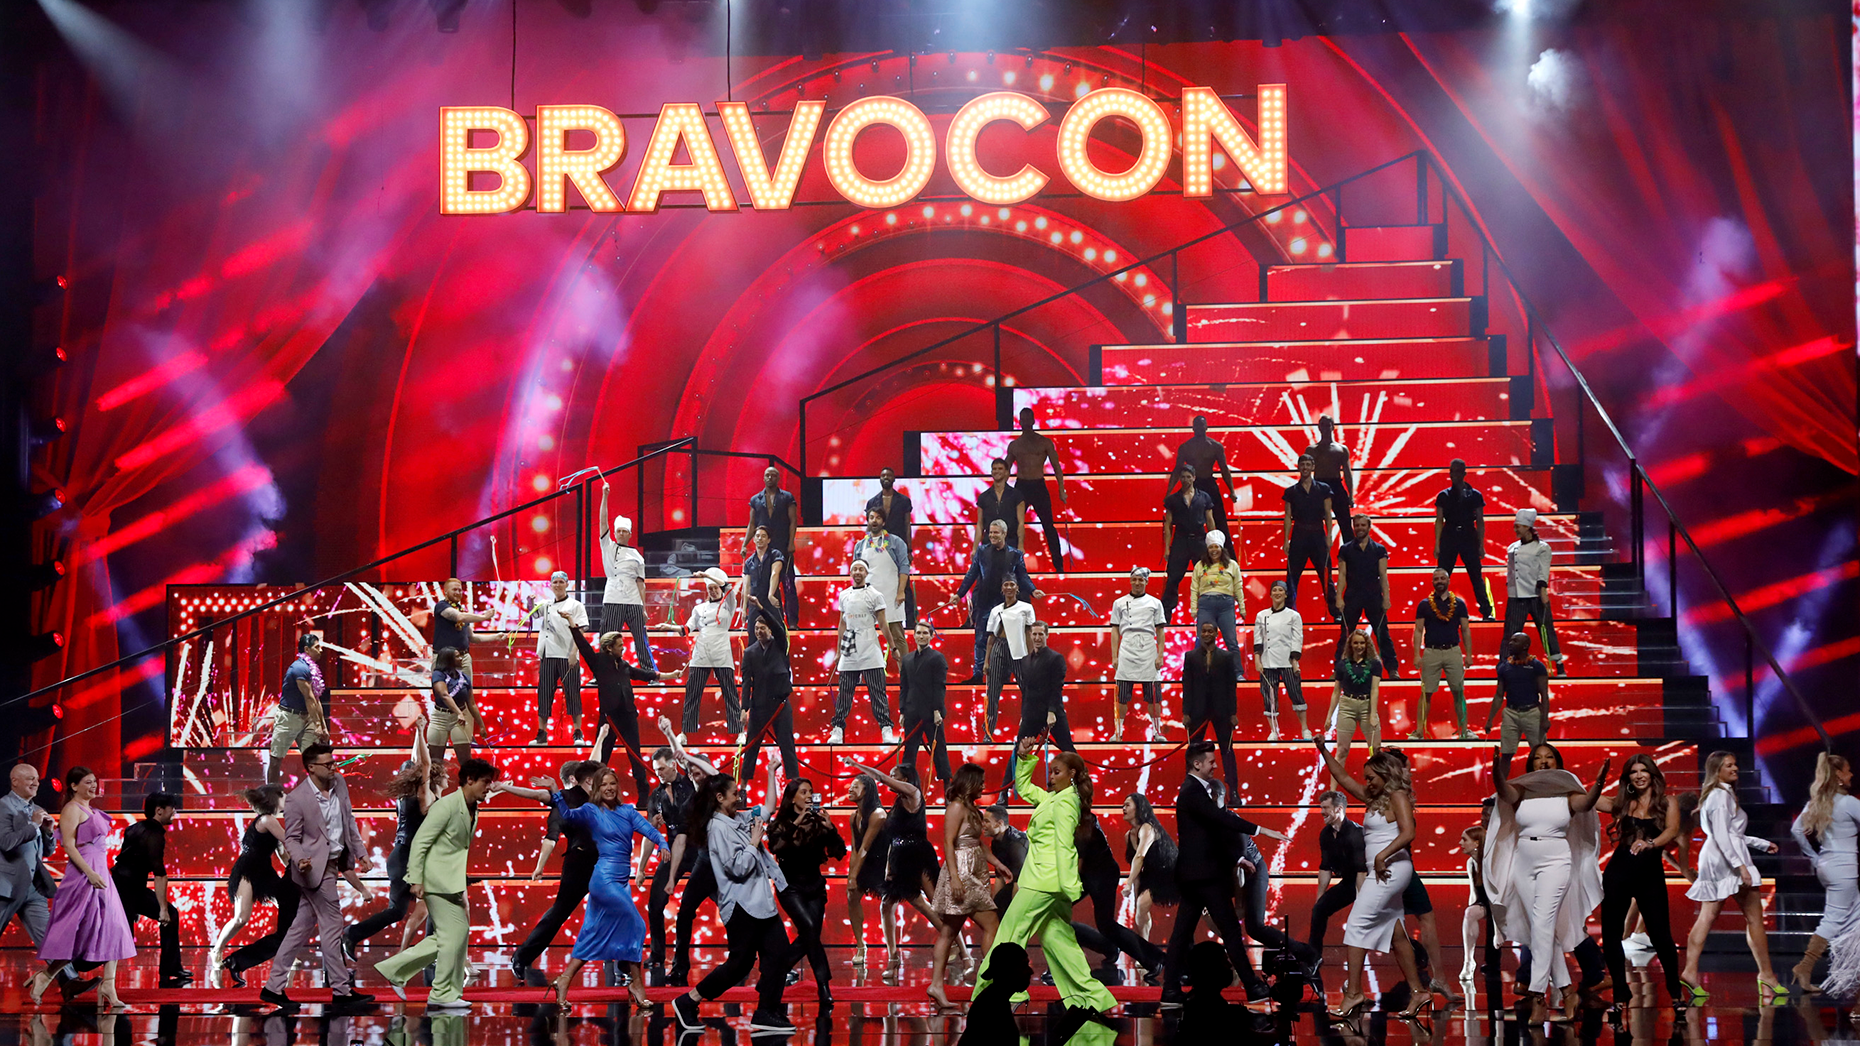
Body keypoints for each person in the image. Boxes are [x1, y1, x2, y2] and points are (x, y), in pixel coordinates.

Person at [971, 743, 1117, 1015]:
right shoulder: (1056, 798)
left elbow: (1065, 846)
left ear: (1072, 773)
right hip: (1048, 881)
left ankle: (993, 993)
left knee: (1010, 935)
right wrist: (1025, 758)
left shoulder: (1066, 803)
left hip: (1044, 882)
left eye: (1056, 772)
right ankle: (1092, 998)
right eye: (1050, 772)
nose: (1050, 777)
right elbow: (1024, 789)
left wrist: (1069, 884)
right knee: (1058, 940)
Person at [671, 773, 801, 1036]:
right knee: (740, 963)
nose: (739, 797)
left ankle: (766, 1011)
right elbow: (737, 867)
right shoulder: (717, 828)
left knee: (778, 955)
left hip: (760, 902)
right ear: (720, 798)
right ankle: (688, 1001)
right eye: (734, 793)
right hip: (742, 905)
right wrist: (754, 843)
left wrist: (773, 769)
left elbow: (766, 810)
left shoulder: (738, 819)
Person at [1486, 742, 1608, 1023]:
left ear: (1557, 762)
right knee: (1542, 930)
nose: (1543, 762)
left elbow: (1587, 803)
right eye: (1538, 758)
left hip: (1556, 859)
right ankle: (1567, 991)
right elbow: (1503, 792)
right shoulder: (1522, 791)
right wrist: (1496, 771)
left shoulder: (1568, 794)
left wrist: (1598, 783)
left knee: (1542, 923)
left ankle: (1538, 995)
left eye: (1549, 757)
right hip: (1524, 860)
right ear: (1531, 764)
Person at [1158, 741, 1284, 1006]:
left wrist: (1237, 857)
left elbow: (1213, 833)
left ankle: (1170, 992)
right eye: (1211, 761)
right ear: (1197, 764)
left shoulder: (1197, 791)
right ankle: (1252, 986)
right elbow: (1222, 820)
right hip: (1205, 877)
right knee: (1228, 930)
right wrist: (1262, 830)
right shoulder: (1192, 792)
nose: (1216, 765)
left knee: (1183, 935)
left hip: (1196, 876)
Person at [1310, 740, 1425, 1020]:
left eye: (1372, 778)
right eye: (1367, 778)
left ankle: (1355, 993)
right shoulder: (1373, 797)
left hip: (1392, 869)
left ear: (1386, 775)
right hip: (1381, 870)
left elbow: (1409, 832)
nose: (1367, 782)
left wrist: (1381, 855)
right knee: (1396, 935)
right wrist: (1324, 751)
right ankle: (1419, 991)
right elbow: (1343, 778)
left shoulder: (1397, 795)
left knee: (1357, 924)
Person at [375, 757, 501, 1011]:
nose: (489, 788)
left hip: (451, 880)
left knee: (455, 936)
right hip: (436, 880)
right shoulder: (446, 806)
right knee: (450, 938)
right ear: (469, 780)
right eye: (486, 783)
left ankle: (405, 973)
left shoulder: (468, 805)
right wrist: (417, 879)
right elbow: (420, 841)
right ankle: (441, 992)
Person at [258, 743, 377, 1012]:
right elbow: (291, 837)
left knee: (299, 928)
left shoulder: (340, 784)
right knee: (333, 925)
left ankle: (273, 987)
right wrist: (300, 859)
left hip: (334, 864)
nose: (334, 767)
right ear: (311, 767)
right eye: (328, 764)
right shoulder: (298, 798)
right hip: (314, 871)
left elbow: (349, 821)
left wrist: (361, 854)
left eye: (334, 762)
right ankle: (341, 990)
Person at [533, 768, 664, 1009]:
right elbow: (568, 817)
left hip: (621, 882)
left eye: (613, 783)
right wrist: (556, 792)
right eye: (604, 784)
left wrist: (662, 843)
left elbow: (649, 830)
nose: (609, 788)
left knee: (592, 933)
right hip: (603, 880)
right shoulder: (591, 811)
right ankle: (637, 984)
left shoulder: (627, 811)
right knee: (637, 925)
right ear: (597, 788)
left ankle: (563, 980)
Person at [25, 767, 135, 1010]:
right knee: (78, 931)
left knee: (114, 926)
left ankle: (109, 984)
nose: (94, 786)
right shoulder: (71, 809)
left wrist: (99, 873)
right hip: (84, 874)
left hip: (100, 872)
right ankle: (47, 975)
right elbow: (70, 847)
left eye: (95, 782)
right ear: (74, 786)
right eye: (88, 782)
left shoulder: (92, 810)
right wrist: (90, 873)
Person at [1680, 750, 1785, 1000]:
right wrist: (1740, 867)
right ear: (1717, 770)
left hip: (1719, 856)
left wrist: (1760, 844)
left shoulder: (1720, 794)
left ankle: (1690, 972)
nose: (1735, 768)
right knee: (1753, 917)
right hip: (1725, 859)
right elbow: (1722, 835)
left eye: (1735, 764)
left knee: (1709, 916)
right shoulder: (1719, 796)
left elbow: (1730, 833)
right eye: (1729, 765)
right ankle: (1767, 975)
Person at [1594, 754, 1686, 1014]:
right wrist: (1600, 780)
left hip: (1650, 876)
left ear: (1653, 774)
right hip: (1618, 874)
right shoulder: (1623, 803)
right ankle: (1620, 995)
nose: (1638, 775)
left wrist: (1650, 844)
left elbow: (1671, 830)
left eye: (1643, 770)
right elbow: (1590, 801)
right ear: (1628, 778)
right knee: (1611, 936)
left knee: (1661, 937)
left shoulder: (1668, 802)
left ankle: (1675, 991)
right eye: (1633, 772)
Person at [345, 728, 444, 959]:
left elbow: (418, 762)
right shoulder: (420, 795)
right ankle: (353, 934)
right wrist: (420, 730)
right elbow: (423, 764)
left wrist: (419, 734)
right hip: (407, 858)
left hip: (403, 856)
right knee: (414, 908)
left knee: (414, 909)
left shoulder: (405, 796)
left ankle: (354, 934)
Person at [506, 759, 603, 987]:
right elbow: (539, 799)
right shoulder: (567, 798)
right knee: (559, 913)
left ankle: (623, 965)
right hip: (579, 862)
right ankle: (522, 957)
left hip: (605, 863)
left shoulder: (603, 800)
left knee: (617, 910)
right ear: (588, 780)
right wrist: (504, 787)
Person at [843, 757, 943, 970]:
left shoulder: (906, 796)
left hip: (903, 858)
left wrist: (856, 764)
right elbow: (858, 847)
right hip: (892, 857)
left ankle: (954, 943)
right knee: (880, 903)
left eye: (894, 774)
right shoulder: (894, 803)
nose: (891, 777)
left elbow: (880, 777)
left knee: (923, 901)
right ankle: (884, 953)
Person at [0, 764, 88, 999]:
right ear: (14, 781)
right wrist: (33, 825)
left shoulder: (37, 809)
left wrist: (48, 832)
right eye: (29, 779)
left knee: (50, 937)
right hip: (6, 886)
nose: (36, 783)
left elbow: (45, 852)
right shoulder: (3, 806)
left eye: (37, 779)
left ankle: (69, 981)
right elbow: (6, 843)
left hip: (33, 886)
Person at [564, 614, 672, 799]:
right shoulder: (598, 662)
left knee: (635, 756)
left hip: (628, 716)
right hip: (609, 717)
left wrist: (670, 676)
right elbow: (583, 646)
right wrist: (573, 626)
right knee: (602, 757)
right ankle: (593, 793)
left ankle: (643, 794)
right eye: (620, 646)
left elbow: (644, 674)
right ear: (609, 648)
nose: (623, 649)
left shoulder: (623, 665)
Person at [927, 763, 1007, 1008]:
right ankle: (991, 981)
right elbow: (948, 843)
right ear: (970, 782)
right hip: (962, 872)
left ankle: (936, 987)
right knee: (992, 923)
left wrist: (998, 864)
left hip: (973, 869)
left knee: (950, 931)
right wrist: (955, 878)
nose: (984, 786)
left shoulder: (972, 808)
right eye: (980, 781)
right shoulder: (956, 807)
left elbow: (979, 844)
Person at [655, 720, 727, 986]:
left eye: (699, 773)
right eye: (692, 773)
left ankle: (756, 960)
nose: (695, 775)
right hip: (704, 863)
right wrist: (672, 878)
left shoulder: (719, 793)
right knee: (685, 913)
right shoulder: (688, 805)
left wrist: (672, 735)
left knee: (737, 912)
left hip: (727, 864)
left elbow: (693, 763)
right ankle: (679, 968)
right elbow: (681, 841)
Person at [766, 777, 847, 1007]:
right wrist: (797, 822)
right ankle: (824, 987)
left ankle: (773, 974)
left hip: (815, 886)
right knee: (810, 929)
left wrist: (831, 829)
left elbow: (839, 852)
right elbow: (776, 847)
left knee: (809, 936)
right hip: (790, 887)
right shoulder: (780, 822)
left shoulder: (819, 822)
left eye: (811, 791)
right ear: (793, 798)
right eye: (804, 792)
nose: (810, 795)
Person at [210, 784, 296, 987]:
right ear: (274, 799)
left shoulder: (272, 821)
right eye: (283, 795)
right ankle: (217, 950)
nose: (287, 798)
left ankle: (285, 951)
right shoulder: (267, 820)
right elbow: (288, 841)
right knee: (241, 918)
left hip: (264, 871)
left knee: (288, 908)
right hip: (248, 870)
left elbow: (283, 854)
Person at [1791, 753, 1860, 992]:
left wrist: (1813, 857)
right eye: (1848, 770)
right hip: (1844, 868)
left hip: (1826, 866)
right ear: (1839, 776)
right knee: (1833, 920)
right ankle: (1805, 966)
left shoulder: (1817, 802)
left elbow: (1796, 830)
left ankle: (1851, 972)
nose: (1851, 775)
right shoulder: (1849, 802)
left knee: (1855, 920)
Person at [1073, 809, 1165, 984]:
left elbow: (1077, 864)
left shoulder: (1081, 820)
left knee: (1105, 924)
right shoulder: (1073, 816)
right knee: (1055, 913)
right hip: (1090, 873)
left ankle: (1153, 959)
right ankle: (1108, 947)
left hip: (1100, 873)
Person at [109, 792, 186, 987]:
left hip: (128, 886)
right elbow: (159, 873)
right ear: (159, 811)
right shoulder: (155, 835)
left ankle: (171, 968)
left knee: (172, 914)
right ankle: (70, 969)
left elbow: (128, 863)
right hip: (124, 889)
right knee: (119, 938)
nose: (174, 812)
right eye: (172, 809)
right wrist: (161, 908)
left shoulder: (133, 828)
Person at [955, 518, 1040, 686]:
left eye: (995, 533)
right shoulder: (981, 552)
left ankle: (1005, 675)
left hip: (1006, 604)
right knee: (980, 638)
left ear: (1004, 534)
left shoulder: (1015, 555)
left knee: (1005, 640)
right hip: (984, 602)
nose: (992, 536)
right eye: (990, 532)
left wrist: (1032, 589)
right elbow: (971, 574)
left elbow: (1023, 576)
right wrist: (959, 594)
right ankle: (978, 674)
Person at [1002, 622, 1077, 793]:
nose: (1037, 638)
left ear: (1046, 635)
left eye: (1040, 634)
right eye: (1034, 634)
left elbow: (1056, 688)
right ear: (1030, 635)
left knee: (1068, 750)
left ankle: (1081, 786)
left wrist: (1051, 712)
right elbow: (1026, 691)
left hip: (1053, 712)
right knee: (1017, 751)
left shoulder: (1055, 658)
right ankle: (1004, 791)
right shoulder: (1025, 661)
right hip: (1031, 714)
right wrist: (1024, 713)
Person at [830, 558, 897, 745]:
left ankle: (886, 728)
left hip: (869, 646)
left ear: (866, 573)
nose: (857, 572)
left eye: (861, 569)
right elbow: (842, 624)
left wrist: (893, 647)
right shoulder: (844, 595)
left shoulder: (875, 595)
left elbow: (883, 624)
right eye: (854, 569)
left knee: (877, 691)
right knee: (845, 692)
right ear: (851, 573)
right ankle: (837, 729)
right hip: (849, 647)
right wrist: (838, 652)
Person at [643, 746, 697, 977]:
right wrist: (641, 868)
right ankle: (657, 953)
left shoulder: (691, 785)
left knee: (720, 899)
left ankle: (741, 947)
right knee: (655, 903)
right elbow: (650, 831)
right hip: (673, 848)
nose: (659, 774)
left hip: (698, 849)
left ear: (673, 765)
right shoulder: (656, 795)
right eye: (656, 770)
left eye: (662, 769)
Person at [738, 594, 801, 786]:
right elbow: (747, 682)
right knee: (751, 747)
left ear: (769, 630)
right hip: (759, 706)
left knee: (787, 745)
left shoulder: (780, 643)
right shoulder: (749, 653)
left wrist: (760, 607)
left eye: (762, 628)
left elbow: (778, 628)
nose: (758, 632)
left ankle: (795, 785)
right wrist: (744, 708)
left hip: (780, 705)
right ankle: (743, 787)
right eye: (756, 629)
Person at [681, 567, 744, 745]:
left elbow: (728, 585)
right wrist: (669, 628)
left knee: (729, 693)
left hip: (722, 652)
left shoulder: (728, 603)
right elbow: (687, 628)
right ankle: (685, 732)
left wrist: (706, 575)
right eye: (710, 588)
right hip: (701, 652)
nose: (713, 590)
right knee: (692, 693)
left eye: (715, 587)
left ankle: (738, 731)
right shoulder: (698, 608)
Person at [598, 480, 656, 670]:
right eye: (618, 531)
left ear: (629, 533)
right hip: (613, 598)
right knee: (607, 637)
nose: (621, 533)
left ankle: (650, 672)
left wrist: (644, 608)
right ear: (615, 532)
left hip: (633, 601)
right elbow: (602, 521)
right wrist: (605, 496)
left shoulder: (637, 556)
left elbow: (641, 583)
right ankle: (603, 672)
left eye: (624, 531)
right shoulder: (608, 546)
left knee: (641, 638)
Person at [528, 570, 590, 745]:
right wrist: (530, 602)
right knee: (544, 694)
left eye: (561, 582)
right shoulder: (545, 604)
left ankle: (578, 732)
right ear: (550, 585)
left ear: (567, 584)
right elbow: (533, 615)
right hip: (548, 655)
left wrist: (573, 653)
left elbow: (581, 630)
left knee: (573, 693)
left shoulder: (575, 605)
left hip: (567, 654)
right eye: (555, 582)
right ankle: (542, 733)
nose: (558, 585)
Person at [1413, 568, 1474, 740]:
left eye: (1442, 578)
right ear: (1433, 582)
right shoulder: (1424, 604)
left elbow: (1466, 630)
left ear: (1448, 581)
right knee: (1426, 693)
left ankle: (1464, 730)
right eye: (1436, 578)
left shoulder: (1459, 604)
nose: (1439, 581)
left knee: (1458, 691)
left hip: (1453, 651)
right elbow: (1418, 631)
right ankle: (1418, 731)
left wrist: (1468, 655)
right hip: (1431, 652)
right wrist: (1417, 655)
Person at [1306, 788, 1366, 961]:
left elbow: (1362, 871)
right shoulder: (1325, 834)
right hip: (1349, 883)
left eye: (1325, 808)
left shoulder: (1356, 834)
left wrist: (1362, 902)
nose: (1321, 812)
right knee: (1319, 910)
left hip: (1366, 883)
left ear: (1339, 809)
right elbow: (1325, 867)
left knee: (1375, 924)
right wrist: (1320, 898)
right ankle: (1314, 958)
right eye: (1321, 807)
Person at [1109, 567, 1168, 743]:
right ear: (1130, 580)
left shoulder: (1155, 603)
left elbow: (1160, 631)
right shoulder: (1119, 603)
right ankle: (1118, 732)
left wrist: (1160, 655)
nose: (1137, 583)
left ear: (1146, 582)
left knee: (1154, 695)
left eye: (1141, 580)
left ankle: (1157, 731)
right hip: (1127, 647)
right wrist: (1114, 656)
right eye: (1134, 579)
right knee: (1122, 695)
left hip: (1148, 649)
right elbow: (1114, 630)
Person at [1007, 406, 1069, 572]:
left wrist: (1061, 489)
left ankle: (1059, 566)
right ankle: (1009, 566)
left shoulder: (1044, 442)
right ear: (1019, 422)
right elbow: (1005, 468)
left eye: (1029, 418)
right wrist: (999, 491)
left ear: (1033, 421)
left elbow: (1056, 467)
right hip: (1021, 487)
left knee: (1048, 526)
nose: (1026, 422)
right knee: (1013, 526)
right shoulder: (1014, 445)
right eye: (1023, 419)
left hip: (1038, 486)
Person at [1505, 509, 1566, 676]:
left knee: (1546, 629)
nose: (1515, 530)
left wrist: (1543, 590)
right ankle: (1505, 665)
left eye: (1518, 527)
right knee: (1510, 632)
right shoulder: (1512, 548)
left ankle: (1558, 665)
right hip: (1516, 596)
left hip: (1535, 595)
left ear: (1527, 527)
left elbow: (1543, 570)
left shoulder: (1542, 548)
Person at [1181, 621, 1240, 794]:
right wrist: (1186, 712)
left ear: (1216, 634)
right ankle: (1191, 788)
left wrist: (1233, 713)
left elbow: (1231, 687)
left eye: (1210, 631)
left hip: (1221, 711)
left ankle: (1233, 790)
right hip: (1197, 712)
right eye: (1204, 631)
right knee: (1193, 752)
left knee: (1227, 752)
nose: (1206, 634)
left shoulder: (1226, 657)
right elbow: (1187, 686)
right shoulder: (1190, 657)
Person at [1336, 514, 1397, 678]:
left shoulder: (1379, 549)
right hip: (1352, 595)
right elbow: (1341, 575)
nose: (1360, 528)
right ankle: (1339, 669)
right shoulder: (1346, 549)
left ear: (1369, 527)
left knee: (1382, 633)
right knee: (1345, 635)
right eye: (1357, 525)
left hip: (1374, 596)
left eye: (1363, 525)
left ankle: (1392, 669)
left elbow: (1383, 575)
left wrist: (1386, 598)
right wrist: (1339, 597)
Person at [1433, 459, 1494, 618]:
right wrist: (1437, 544)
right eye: (1453, 471)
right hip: (1449, 535)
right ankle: (1438, 608)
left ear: (1464, 473)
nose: (1456, 475)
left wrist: (1481, 545)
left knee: (1476, 576)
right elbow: (1439, 520)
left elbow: (1480, 521)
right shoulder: (1443, 496)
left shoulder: (1475, 495)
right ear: (1450, 473)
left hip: (1468, 536)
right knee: (1443, 575)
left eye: (1459, 471)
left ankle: (1486, 611)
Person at [1252, 580, 1310, 741]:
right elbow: (1258, 639)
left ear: (1285, 594)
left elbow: (1297, 639)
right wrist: (1257, 660)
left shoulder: (1293, 615)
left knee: (1296, 693)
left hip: (1288, 661)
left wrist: (1295, 660)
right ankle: (1273, 731)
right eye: (1274, 590)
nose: (1277, 593)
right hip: (1268, 662)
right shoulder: (1261, 615)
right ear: (1270, 594)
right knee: (1269, 697)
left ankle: (1305, 729)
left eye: (1280, 590)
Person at [1282, 453, 1338, 618]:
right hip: (1299, 533)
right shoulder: (1291, 491)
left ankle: (1335, 611)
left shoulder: (1323, 489)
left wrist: (1329, 535)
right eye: (1302, 465)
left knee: (1326, 574)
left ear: (1313, 467)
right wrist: (1286, 539)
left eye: (1308, 464)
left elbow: (1328, 514)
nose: (1305, 468)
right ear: (1299, 467)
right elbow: (1287, 517)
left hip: (1318, 533)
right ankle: (1288, 612)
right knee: (1292, 576)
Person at [982, 576, 1037, 740]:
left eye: (1012, 584)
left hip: (1020, 650)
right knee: (992, 692)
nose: (1009, 587)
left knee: (1027, 690)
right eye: (1005, 584)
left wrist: (1031, 656)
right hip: (999, 647)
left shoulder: (1026, 608)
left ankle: (1029, 728)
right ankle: (988, 732)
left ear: (1017, 588)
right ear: (1002, 589)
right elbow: (991, 637)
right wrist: (986, 661)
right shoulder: (996, 610)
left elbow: (1029, 633)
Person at [1161, 465, 1218, 625]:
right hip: (1180, 540)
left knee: (1207, 576)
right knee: (1173, 577)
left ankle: (1211, 610)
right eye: (1183, 477)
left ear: (1194, 477)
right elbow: (1168, 525)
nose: (1185, 479)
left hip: (1200, 539)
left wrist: (1214, 543)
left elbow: (1210, 520)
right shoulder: (1172, 499)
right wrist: (1167, 547)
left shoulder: (1204, 497)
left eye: (1188, 476)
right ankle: (1165, 614)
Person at [270, 633, 329, 785]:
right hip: (289, 717)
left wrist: (322, 726)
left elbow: (316, 700)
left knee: (313, 759)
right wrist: (317, 725)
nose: (321, 650)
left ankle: (315, 797)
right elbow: (309, 698)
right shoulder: (299, 668)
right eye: (317, 647)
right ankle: (271, 799)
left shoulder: (312, 669)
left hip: (307, 717)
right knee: (276, 759)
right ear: (307, 650)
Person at [745, 466, 800, 625]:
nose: (770, 478)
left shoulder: (787, 497)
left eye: (773, 475)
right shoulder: (756, 499)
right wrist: (745, 544)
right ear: (763, 478)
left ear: (778, 478)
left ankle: (792, 621)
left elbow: (793, 521)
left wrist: (791, 542)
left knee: (788, 583)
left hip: (783, 546)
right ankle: (768, 619)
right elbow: (752, 523)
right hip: (764, 549)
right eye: (767, 475)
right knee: (763, 584)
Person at [1120, 793, 1178, 942]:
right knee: (1140, 907)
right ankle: (1144, 949)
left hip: (1170, 873)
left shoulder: (1147, 828)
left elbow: (1140, 856)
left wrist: (1128, 883)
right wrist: (1134, 891)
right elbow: (1137, 868)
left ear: (1138, 808)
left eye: (1128, 805)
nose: (1123, 808)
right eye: (1123, 805)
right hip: (1151, 876)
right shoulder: (1129, 836)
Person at [899, 622, 952, 785]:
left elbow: (939, 686)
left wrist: (937, 710)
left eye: (925, 633)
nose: (921, 636)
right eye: (919, 633)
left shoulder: (937, 658)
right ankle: (907, 785)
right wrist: (902, 711)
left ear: (931, 636)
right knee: (909, 751)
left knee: (939, 751)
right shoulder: (907, 659)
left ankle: (947, 788)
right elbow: (904, 687)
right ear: (914, 635)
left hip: (931, 713)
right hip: (911, 712)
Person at [854, 506, 911, 657]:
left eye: (878, 518)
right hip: (868, 597)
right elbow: (856, 572)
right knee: (865, 638)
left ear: (883, 522)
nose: (874, 520)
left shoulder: (896, 542)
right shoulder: (860, 546)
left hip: (891, 595)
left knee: (897, 637)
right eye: (871, 517)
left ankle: (905, 674)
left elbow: (904, 567)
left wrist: (901, 592)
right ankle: (868, 674)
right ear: (867, 521)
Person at [865, 469, 918, 627]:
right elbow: (869, 527)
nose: (886, 478)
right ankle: (875, 619)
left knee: (904, 584)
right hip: (878, 546)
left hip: (899, 546)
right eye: (883, 476)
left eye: (888, 476)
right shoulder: (872, 502)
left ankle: (910, 620)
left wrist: (909, 549)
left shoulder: (903, 501)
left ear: (894, 479)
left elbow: (907, 525)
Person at [846, 773, 888, 969]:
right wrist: (850, 877)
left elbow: (865, 847)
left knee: (918, 901)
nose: (850, 789)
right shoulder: (853, 816)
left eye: (856, 786)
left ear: (867, 790)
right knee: (851, 896)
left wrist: (854, 875)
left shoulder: (878, 814)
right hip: (866, 863)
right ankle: (860, 946)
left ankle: (956, 943)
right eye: (850, 786)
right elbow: (855, 849)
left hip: (885, 864)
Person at [1173, 415, 1236, 541]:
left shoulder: (1215, 446)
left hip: (1209, 483)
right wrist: (1169, 492)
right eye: (1197, 425)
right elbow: (1177, 470)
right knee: (1190, 522)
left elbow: (1224, 469)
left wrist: (1232, 491)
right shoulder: (1186, 447)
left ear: (1206, 427)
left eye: (1202, 425)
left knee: (1220, 521)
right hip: (1193, 486)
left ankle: (1227, 556)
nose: (1199, 428)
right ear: (1193, 428)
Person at [1487, 631, 1551, 753]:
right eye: (1510, 640)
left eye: (1515, 641)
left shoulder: (1537, 666)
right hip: (1511, 713)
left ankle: (1543, 772)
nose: (1510, 643)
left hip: (1532, 713)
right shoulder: (1503, 667)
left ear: (1525, 646)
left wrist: (1545, 718)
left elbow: (1544, 694)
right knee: (1505, 753)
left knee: (1540, 752)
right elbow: (1499, 695)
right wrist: (1490, 720)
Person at [431, 577, 505, 681]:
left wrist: (495, 637)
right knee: (443, 692)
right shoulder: (441, 606)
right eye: (454, 590)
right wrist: (484, 617)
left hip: (463, 658)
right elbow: (460, 617)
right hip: (444, 658)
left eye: (460, 590)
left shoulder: (462, 610)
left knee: (466, 691)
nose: (458, 592)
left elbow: (472, 637)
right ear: (446, 592)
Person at [958, 942, 1032, 1046]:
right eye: (1023, 966)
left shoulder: (993, 1000)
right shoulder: (994, 1006)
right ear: (1008, 971)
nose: (1030, 971)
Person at [1332, 631, 1382, 762]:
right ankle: (1333, 783)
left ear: (1367, 645)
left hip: (1367, 705)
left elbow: (1375, 690)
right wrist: (1328, 716)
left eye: (1362, 643)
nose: (1359, 646)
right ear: (1350, 645)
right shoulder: (1342, 664)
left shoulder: (1375, 664)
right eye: (1356, 643)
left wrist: (1372, 714)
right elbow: (1336, 691)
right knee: (1342, 750)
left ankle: (1379, 781)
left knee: (1376, 749)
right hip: (1347, 705)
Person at [1191, 530, 1244, 653]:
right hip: (1206, 605)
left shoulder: (1232, 565)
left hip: (1226, 605)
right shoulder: (1200, 565)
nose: (1214, 550)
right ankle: (1198, 671)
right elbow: (1194, 588)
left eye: (1216, 547)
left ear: (1222, 548)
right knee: (1202, 641)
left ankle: (1237, 672)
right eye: (1211, 547)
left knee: (1231, 641)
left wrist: (1242, 607)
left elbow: (1238, 586)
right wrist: (1194, 608)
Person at [427, 646, 478, 767]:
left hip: (459, 719)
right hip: (439, 718)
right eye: (457, 656)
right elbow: (444, 695)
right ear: (448, 659)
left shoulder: (465, 678)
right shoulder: (438, 674)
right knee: (435, 762)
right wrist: (459, 713)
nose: (461, 659)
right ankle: (434, 785)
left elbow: (472, 703)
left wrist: (481, 726)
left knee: (466, 761)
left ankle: (467, 785)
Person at [1304, 416, 1354, 541]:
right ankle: (1319, 554)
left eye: (1328, 425)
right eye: (1323, 425)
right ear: (1319, 428)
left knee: (1345, 524)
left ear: (1333, 427)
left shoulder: (1341, 449)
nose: (1325, 428)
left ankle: (1351, 557)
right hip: (1318, 486)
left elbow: (1347, 473)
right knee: (1314, 524)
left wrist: (1351, 495)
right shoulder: (1311, 450)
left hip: (1336, 485)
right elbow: (1305, 472)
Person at [741, 524, 790, 638]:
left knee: (777, 633)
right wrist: (744, 609)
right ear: (753, 539)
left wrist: (771, 594)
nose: (760, 538)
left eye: (763, 536)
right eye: (757, 536)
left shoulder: (775, 555)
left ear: (769, 540)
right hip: (754, 601)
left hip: (771, 600)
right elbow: (747, 586)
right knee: (753, 635)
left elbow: (775, 574)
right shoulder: (749, 562)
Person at [983, 803, 1028, 914]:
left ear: (1000, 823)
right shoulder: (996, 842)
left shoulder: (1016, 844)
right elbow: (1000, 876)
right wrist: (994, 908)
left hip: (1031, 885)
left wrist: (1014, 914)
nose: (982, 825)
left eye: (987, 821)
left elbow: (1019, 882)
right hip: (1018, 884)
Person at [975, 458, 1028, 549]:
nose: (997, 471)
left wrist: (1020, 545)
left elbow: (1020, 523)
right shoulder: (983, 497)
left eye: (1000, 469)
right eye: (994, 469)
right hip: (989, 545)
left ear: (1006, 472)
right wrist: (975, 548)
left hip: (1010, 543)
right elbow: (980, 525)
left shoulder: (1016, 495)